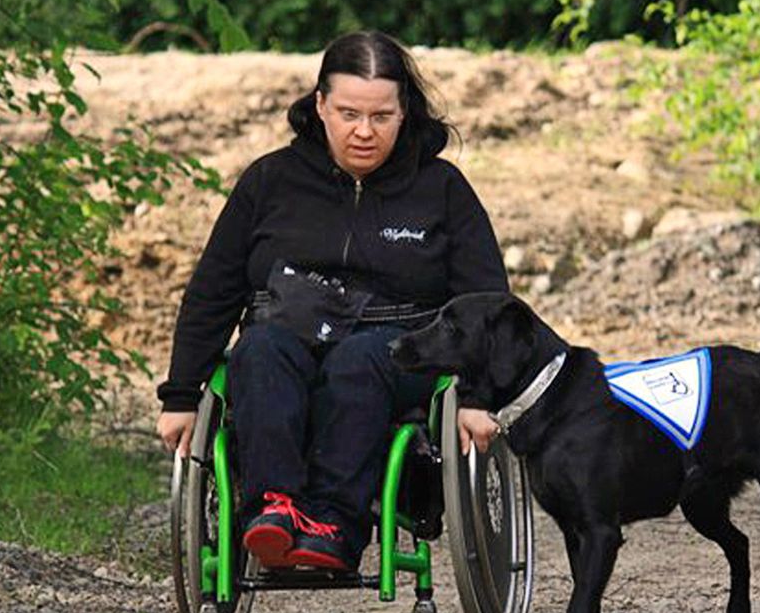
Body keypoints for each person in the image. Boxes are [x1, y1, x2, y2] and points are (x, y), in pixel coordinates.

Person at [156, 31, 508, 572]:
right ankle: (273, 509)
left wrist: (480, 394)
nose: (363, 131)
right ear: (320, 105)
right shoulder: (270, 181)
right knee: (258, 351)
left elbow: (485, 300)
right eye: (347, 113)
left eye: (381, 117)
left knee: (360, 360)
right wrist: (181, 394)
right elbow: (214, 289)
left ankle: (334, 523)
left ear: (403, 113)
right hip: (289, 331)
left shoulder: (441, 189)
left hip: (400, 349)